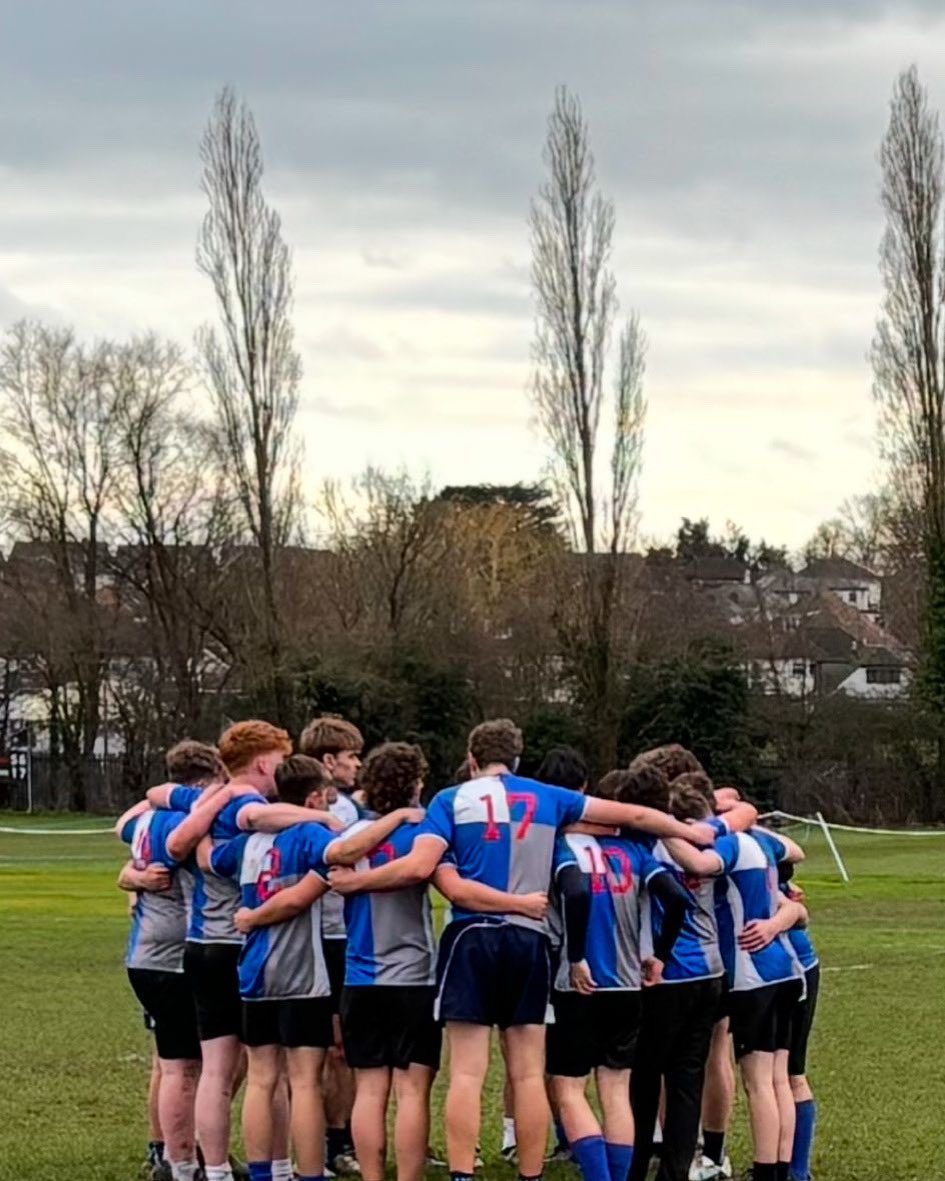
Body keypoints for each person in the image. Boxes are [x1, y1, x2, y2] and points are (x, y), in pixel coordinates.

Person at [329, 718, 717, 1181]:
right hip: (530, 940)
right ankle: (531, 1173)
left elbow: (423, 867)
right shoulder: (547, 796)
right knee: (529, 1074)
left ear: (472, 760)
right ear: (517, 760)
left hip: (472, 938)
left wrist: (356, 882)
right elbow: (631, 815)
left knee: (469, 1074)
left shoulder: (449, 800)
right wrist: (690, 832)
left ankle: (461, 1174)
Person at [243, 742, 548, 1181]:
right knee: (412, 1091)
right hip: (414, 979)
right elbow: (447, 884)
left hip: (360, 978)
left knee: (369, 1089)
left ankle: (372, 1176)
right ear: (416, 785)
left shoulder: (348, 840)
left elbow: (318, 879)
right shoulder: (424, 834)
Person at [208, 752, 423, 1181]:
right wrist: (397, 816)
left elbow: (206, 859)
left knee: (263, 1078)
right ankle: (310, 1172)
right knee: (305, 1081)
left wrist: (202, 813)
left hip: (253, 971)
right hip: (300, 973)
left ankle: (263, 1172)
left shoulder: (247, 843)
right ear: (316, 797)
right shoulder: (307, 834)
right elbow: (346, 850)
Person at [145, 721, 301, 1181]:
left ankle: (211, 1170)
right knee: (267, 1068)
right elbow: (256, 820)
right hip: (242, 945)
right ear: (260, 763)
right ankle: (277, 1165)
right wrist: (321, 819)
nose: (281, 770)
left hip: (200, 945)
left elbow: (157, 793)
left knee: (214, 1069)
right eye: (277, 761)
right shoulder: (248, 801)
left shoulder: (204, 798)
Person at [547, 766, 692, 1181]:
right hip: (627, 985)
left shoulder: (563, 846)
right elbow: (677, 898)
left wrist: (577, 955)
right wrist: (660, 954)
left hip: (578, 984)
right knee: (615, 1091)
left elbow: (574, 891)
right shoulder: (634, 853)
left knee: (570, 1089)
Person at [662, 782, 808, 1181]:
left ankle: (765, 1170)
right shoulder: (761, 843)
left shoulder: (728, 845)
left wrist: (662, 829)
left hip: (751, 972)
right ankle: (780, 1168)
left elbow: (701, 865)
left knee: (759, 1082)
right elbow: (792, 862)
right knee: (778, 1077)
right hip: (785, 968)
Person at [115, 740, 230, 1181]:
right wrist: (133, 877)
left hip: (147, 952)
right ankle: (178, 1160)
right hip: (174, 956)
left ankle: (179, 1153)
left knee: (177, 1062)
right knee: (183, 1064)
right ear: (207, 780)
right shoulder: (187, 822)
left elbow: (122, 826)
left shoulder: (145, 819)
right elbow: (179, 847)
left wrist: (131, 875)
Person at [299, 715, 365, 1175]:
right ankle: (323, 1141)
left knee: (341, 1049)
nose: (357, 764)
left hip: (341, 938)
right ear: (328, 761)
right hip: (321, 939)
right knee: (316, 1050)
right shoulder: (317, 812)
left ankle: (338, 1139)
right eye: (351, 756)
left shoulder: (350, 810)